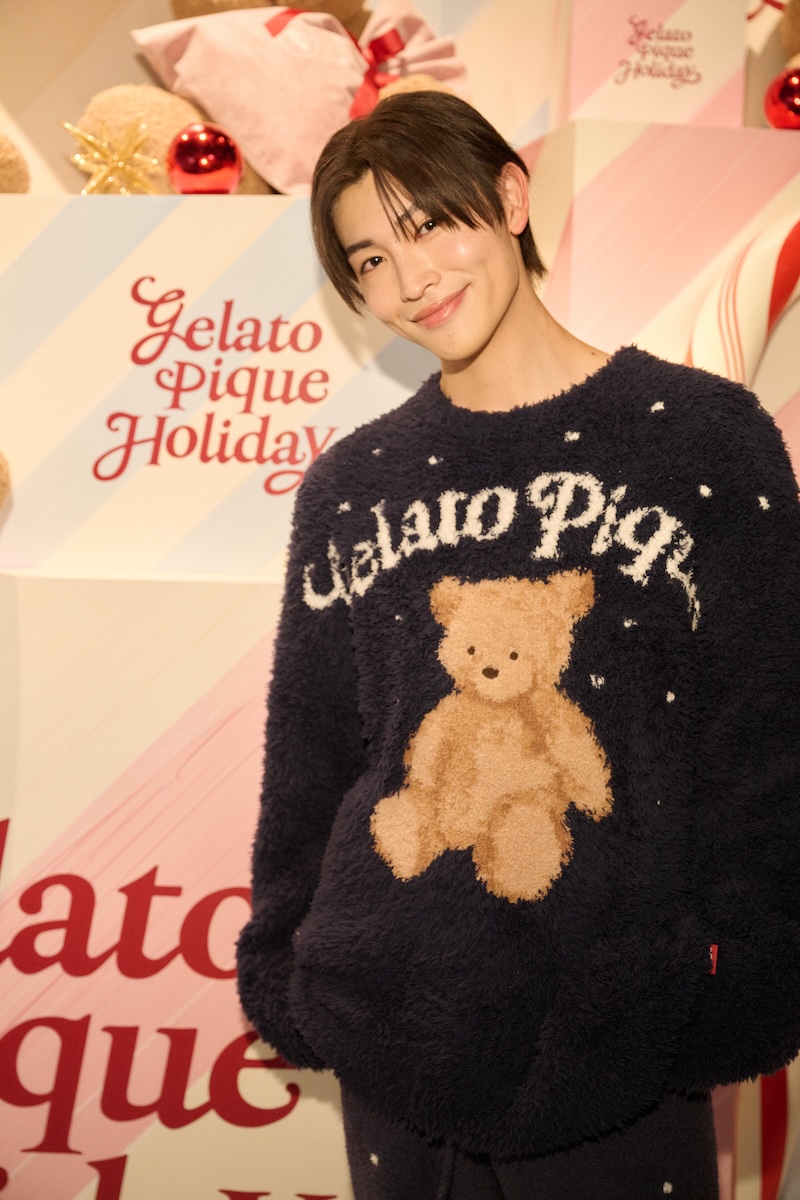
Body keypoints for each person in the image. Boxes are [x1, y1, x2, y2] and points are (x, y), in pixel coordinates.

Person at [236, 91, 800, 1200]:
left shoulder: (705, 438)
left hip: (621, 1022)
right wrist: (288, 965)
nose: (411, 279)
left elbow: (763, 732)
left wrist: (748, 977)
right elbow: (310, 749)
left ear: (508, 196)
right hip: (389, 1010)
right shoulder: (351, 484)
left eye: (429, 225)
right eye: (370, 260)